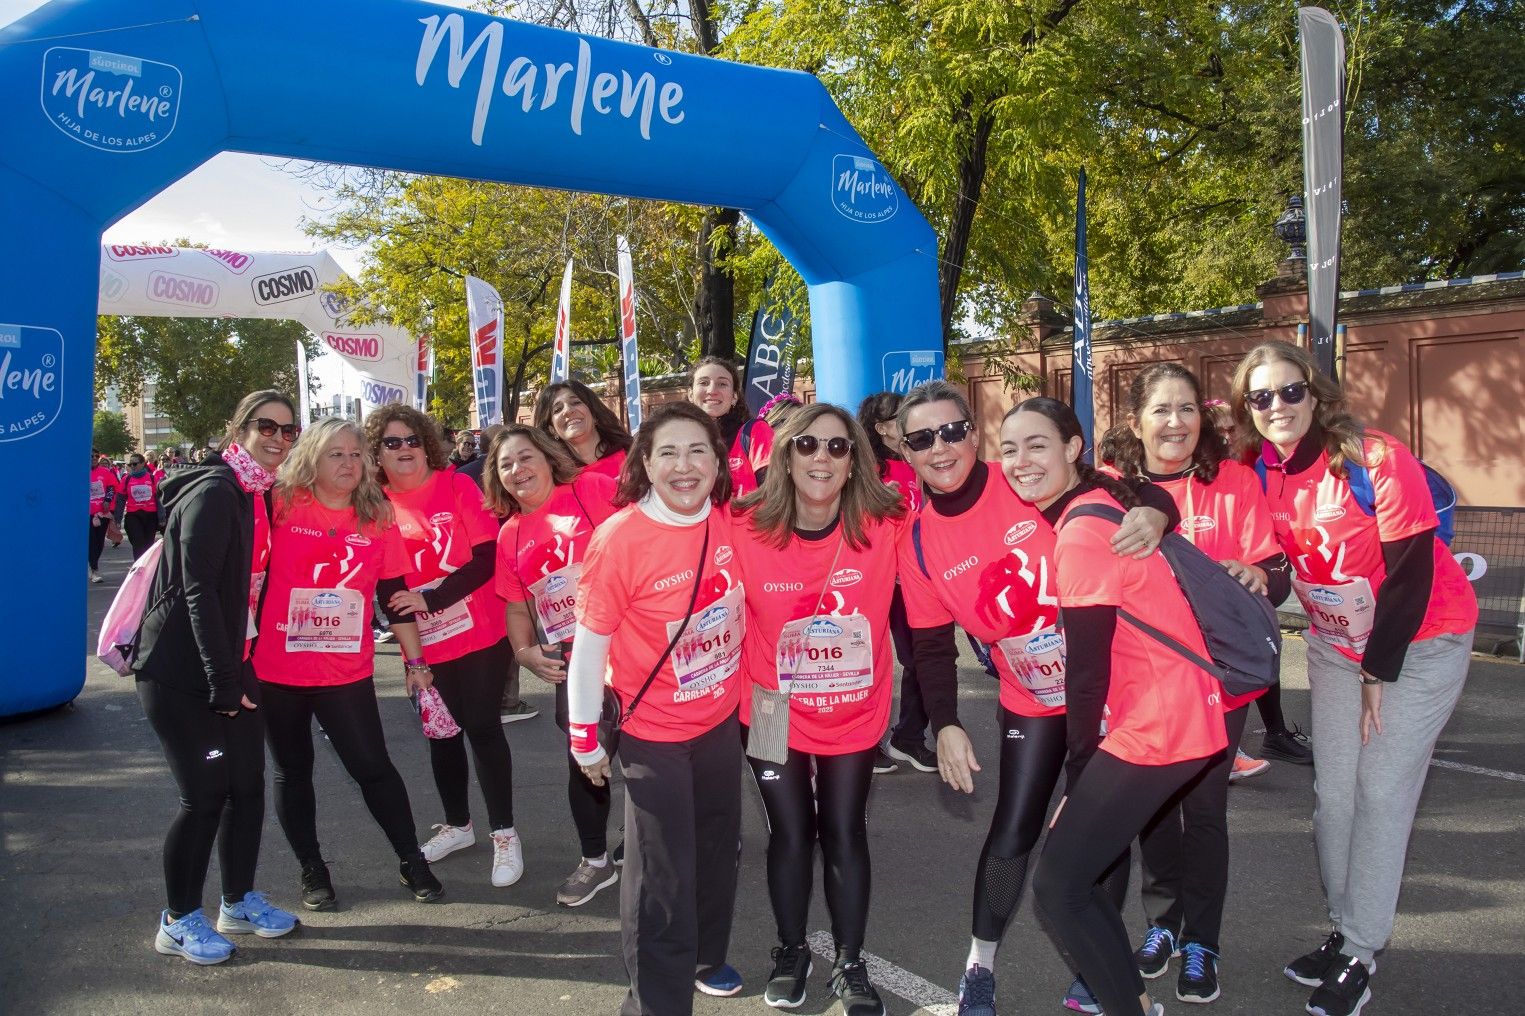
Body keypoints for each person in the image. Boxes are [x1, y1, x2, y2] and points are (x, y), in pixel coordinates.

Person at [892, 382, 1173, 1016]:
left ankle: (1095, 965)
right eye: (921, 438)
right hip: (1031, 698)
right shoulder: (917, 542)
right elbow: (932, 649)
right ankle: (979, 967)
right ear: (904, 450)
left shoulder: (1023, 478)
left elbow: (1135, 494)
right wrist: (945, 725)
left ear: (973, 432)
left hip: (1109, 694)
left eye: (953, 431)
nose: (941, 448)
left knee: (1099, 834)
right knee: (1013, 830)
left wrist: (1157, 511)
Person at [1232, 340, 1477, 1016]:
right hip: (1336, 647)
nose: (1276, 406)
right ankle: (1343, 931)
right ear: (1247, 409)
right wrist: (1262, 574)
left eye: (1288, 391)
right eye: (1260, 397)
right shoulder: (1261, 474)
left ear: (1315, 395)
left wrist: (1377, 668)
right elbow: (1287, 565)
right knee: (1333, 795)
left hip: (1419, 641)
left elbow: (1412, 573)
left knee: (1379, 793)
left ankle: (1362, 952)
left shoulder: (1373, 457)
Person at [1011, 397, 1226, 1016]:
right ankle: (1127, 999)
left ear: (1073, 448)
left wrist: (1080, 772)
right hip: (1176, 714)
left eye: (1037, 445)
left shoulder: (1081, 529)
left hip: (1160, 724)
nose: (1022, 461)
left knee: (1059, 886)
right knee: (1073, 882)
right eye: (1011, 448)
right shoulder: (1100, 503)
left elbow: (1085, 672)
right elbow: (1151, 496)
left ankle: (1125, 1004)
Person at [1106, 362, 1293, 1004]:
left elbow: (1274, 567)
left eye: (1187, 409)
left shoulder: (1234, 480)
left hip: (1219, 678)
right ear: (1137, 421)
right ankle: (1162, 925)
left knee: (1204, 808)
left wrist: (1256, 575)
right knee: (1154, 805)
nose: (1176, 422)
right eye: (1162, 409)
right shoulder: (1113, 490)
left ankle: (1203, 940)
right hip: (1144, 676)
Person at [565, 401, 746, 1014]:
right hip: (654, 733)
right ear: (645, 462)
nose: (684, 465)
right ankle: (656, 1002)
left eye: (698, 450)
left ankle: (705, 956)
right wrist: (583, 739)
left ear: (718, 462)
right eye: (667, 452)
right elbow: (588, 647)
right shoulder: (619, 539)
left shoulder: (728, 519)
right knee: (662, 877)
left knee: (720, 848)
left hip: (719, 724)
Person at [731, 403, 905, 1014]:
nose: (821, 458)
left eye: (837, 447)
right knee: (790, 832)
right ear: (784, 454)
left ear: (855, 458)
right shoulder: (743, 526)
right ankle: (790, 948)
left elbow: (976, 519)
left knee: (843, 831)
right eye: (807, 445)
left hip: (853, 710)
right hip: (771, 706)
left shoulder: (886, 526)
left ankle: (851, 964)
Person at [133, 390, 302, 965]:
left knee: (247, 788)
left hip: (233, 661)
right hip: (183, 670)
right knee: (203, 797)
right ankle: (178, 920)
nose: (278, 438)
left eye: (288, 429)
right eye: (266, 427)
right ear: (240, 429)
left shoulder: (257, 493)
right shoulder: (214, 492)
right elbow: (200, 594)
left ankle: (237, 901)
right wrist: (222, 682)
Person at [253, 417, 445, 909]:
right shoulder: (279, 504)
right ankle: (311, 868)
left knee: (372, 767)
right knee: (292, 771)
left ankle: (410, 858)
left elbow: (393, 595)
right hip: (277, 669)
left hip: (344, 672)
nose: (347, 463)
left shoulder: (378, 516)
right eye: (335, 453)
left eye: (356, 454)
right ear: (312, 458)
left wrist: (415, 661)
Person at [364, 405, 522, 889]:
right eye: (391, 442)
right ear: (377, 453)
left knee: (480, 725)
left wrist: (432, 596)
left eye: (411, 439)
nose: (404, 448)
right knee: (442, 732)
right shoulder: (378, 507)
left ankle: (504, 833)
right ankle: (458, 826)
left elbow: (486, 558)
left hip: (480, 631)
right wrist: (413, 660)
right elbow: (391, 591)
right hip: (426, 641)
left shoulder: (456, 485)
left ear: (426, 443)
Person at [486, 424, 622, 907]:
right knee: (585, 763)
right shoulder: (510, 534)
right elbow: (517, 606)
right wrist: (524, 653)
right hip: (574, 661)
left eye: (525, 457)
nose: (518, 470)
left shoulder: (590, 490)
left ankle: (661, 846)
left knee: (653, 759)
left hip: (635, 648)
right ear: (498, 478)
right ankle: (596, 860)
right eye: (506, 465)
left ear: (547, 458)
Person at [857, 390, 929, 774]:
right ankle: (865, 741)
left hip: (913, 582)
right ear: (880, 426)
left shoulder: (921, 459)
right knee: (864, 659)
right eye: (898, 416)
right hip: (871, 580)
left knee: (920, 660)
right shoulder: (864, 469)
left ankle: (909, 738)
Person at [688, 356, 769, 496]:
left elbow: (774, 494)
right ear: (690, 394)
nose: (712, 390)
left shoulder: (754, 432)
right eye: (704, 382)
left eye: (722, 384)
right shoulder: (678, 439)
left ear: (734, 396)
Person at [534, 378, 634, 479]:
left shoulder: (633, 456)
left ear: (594, 415)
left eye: (575, 402)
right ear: (552, 430)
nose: (568, 411)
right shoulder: (556, 479)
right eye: (558, 409)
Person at [121, 453, 162, 560]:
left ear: (143, 463)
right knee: (138, 542)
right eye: (131, 464)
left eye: (135, 464)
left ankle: (147, 569)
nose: (133, 467)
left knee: (148, 545)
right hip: (133, 515)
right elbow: (120, 499)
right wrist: (117, 518)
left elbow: (159, 499)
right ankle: (138, 567)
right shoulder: (126, 479)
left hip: (150, 515)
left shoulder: (152, 478)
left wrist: (162, 517)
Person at [88, 448, 120, 582]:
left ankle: (93, 567)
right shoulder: (78, 471)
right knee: (90, 540)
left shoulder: (105, 472)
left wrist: (107, 500)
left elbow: (112, 487)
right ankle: (93, 568)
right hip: (87, 513)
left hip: (103, 512)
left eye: (96, 456)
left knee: (99, 541)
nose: (94, 458)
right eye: (91, 456)